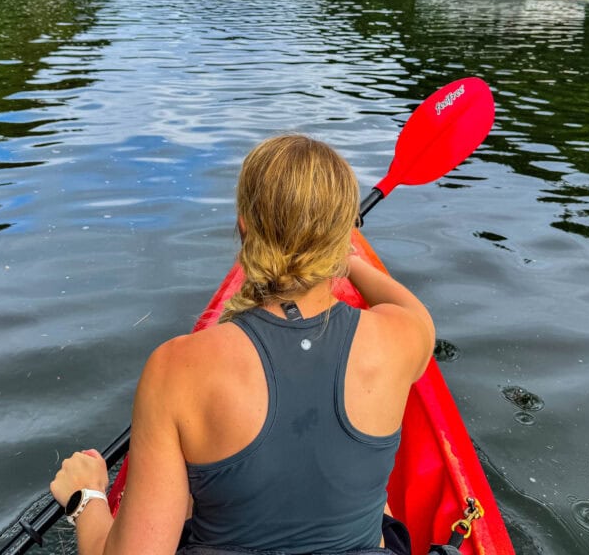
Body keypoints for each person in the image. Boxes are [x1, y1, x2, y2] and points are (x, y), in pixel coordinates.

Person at [50, 134, 436, 555]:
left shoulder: (176, 368)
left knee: (190, 490)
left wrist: (85, 498)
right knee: (384, 514)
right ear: (342, 236)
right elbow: (407, 305)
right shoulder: (403, 337)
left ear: (244, 224)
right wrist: (351, 260)